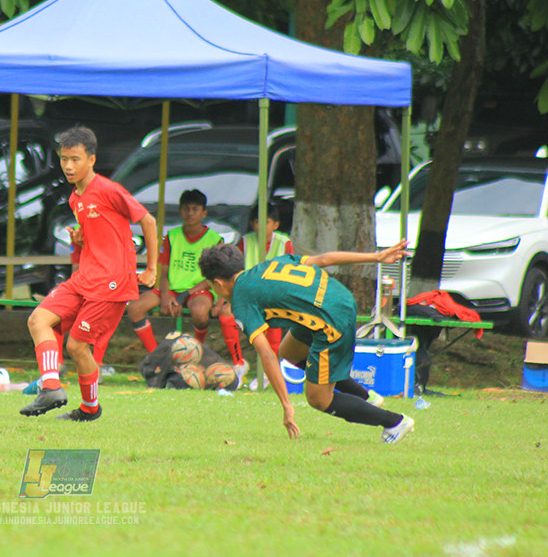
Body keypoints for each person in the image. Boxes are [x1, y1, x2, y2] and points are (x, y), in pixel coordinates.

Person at [198, 240, 415, 443]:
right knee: (289, 350)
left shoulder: (241, 302)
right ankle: (366, 397)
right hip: (338, 298)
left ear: (217, 283)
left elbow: (266, 354)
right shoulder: (270, 264)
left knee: (318, 399)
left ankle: (395, 422)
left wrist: (286, 405)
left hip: (331, 320)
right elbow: (323, 260)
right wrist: (376, 257)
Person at [20, 126, 158, 421]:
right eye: (64, 159)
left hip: (111, 283)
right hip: (85, 277)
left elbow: (148, 221)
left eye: (75, 159)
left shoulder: (109, 190)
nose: (68, 166)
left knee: (77, 346)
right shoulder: (75, 199)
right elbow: (99, 232)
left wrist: (151, 268)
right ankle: (51, 387)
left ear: (91, 160)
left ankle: (89, 409)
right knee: (38, 319)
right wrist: (81, 240)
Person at [125, 189, 222, 353]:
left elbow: (213, 277)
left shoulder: (215, 240)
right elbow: (163, 273)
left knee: (199, 312)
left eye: (195, 209)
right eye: (185, 209)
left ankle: (199, 351)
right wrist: (165, 295)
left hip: (198, 290)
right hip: (171, 289)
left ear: (204, 212)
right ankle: (156, 356)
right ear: (180, 211)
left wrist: (186, 293)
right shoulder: (172, 236)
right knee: (135, 307)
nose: (190, 213)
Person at [217, 202, 293, 376]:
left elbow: (291, 271)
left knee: (274, 317)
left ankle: (269, 369)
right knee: (225, 315)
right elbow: (233, 271)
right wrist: (222, 298)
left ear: (275, 225)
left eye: (266, 222)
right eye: (257, 222)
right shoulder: (245, 241)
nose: (261, 226)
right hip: (248, 294)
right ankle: (239, 362)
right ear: (252, 224)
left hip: (274, 294)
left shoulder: (284, 243)